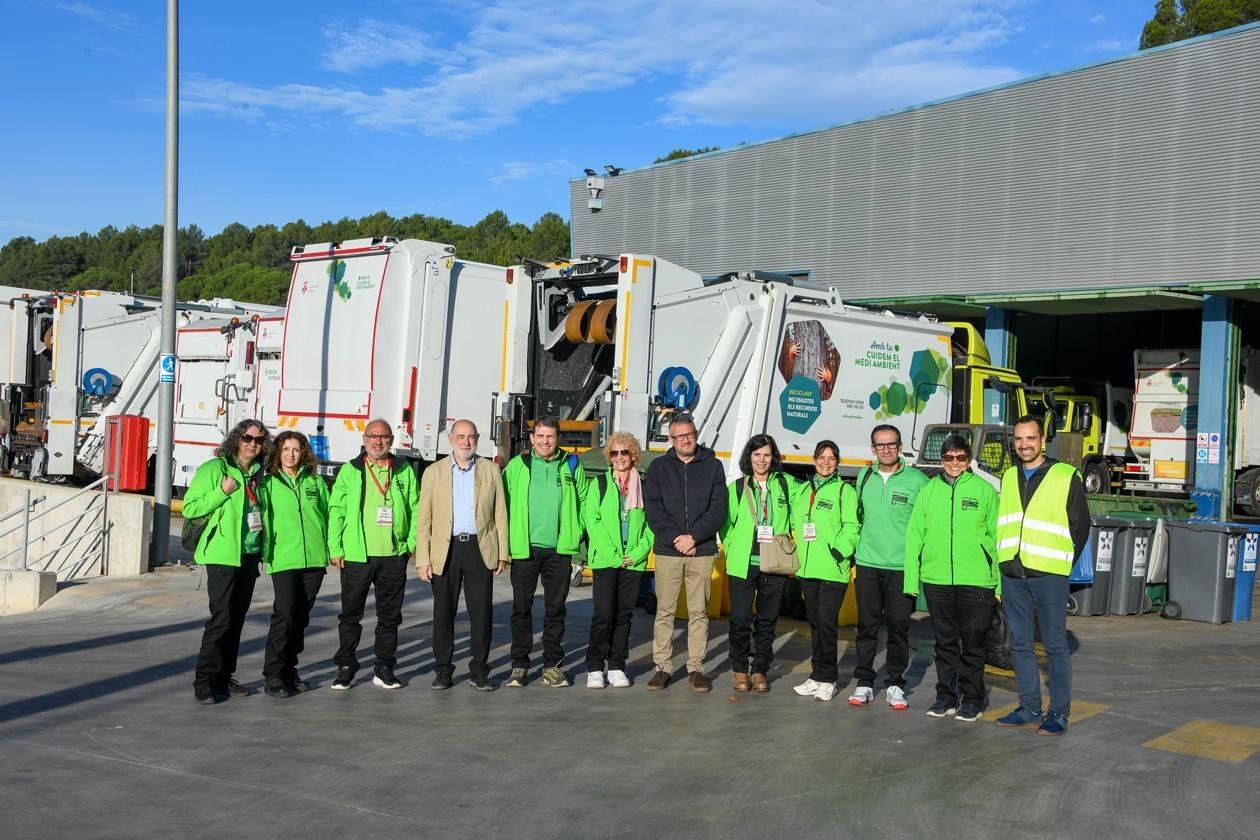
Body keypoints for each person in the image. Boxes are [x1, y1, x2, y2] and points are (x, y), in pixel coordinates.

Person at [995, 415, 1090, 736]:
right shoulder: (1009, 476)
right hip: (1012, 572)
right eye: (1019, 439)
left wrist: (1062, 563)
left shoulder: (1066, 476)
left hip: (1049, 575)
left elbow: (1081, 527)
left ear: (1043, 439)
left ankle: (1058, 713)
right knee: (1020, 645)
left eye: (1030, 438)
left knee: (1054, 647)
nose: (1024, 445)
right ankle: (1029, 706)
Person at [903, 434, 1000, 722]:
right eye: (948, 458)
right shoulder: (929, 491)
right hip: (937, 580)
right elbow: (914, 537)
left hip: (977, 580)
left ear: (968, 459)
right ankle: (945, 695)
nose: (954, 463)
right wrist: (911, 581)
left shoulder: (984, 491)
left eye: (960, 457)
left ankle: (972, 698)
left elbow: (998, 538)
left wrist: (1000, 585)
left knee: (972, 643)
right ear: (941, 460)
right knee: (944, 643)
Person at [416, 419, 508, 690]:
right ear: (451, 439)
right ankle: (443, 670)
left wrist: (502, 553)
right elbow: (424, 520)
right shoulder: (434, 472)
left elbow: (500, 514)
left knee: (481, 613)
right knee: (443, 613)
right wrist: (423, 558)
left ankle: (479, 670)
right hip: (446, 549)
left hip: (480, 548)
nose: (466, 442)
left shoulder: (490, 471)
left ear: (478, 439)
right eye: (461, 436)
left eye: (471, 437)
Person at [327, 419, 418, 691]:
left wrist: (410, 544)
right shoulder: (350, 470)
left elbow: (416, 508)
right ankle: (346, 666)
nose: (379, 442)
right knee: (350, 616)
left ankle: (385, 666)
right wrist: (336, 548)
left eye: (384, 437)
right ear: (364, 439)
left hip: (393, 555)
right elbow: (336, 510)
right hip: (357, 556)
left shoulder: (403, 470)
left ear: (392, 439)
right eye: (373, 437)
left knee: (389, 618)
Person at [185, 419, 270, 705]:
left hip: (248, 555)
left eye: (258, 440)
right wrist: (222, 491)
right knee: (221, 619)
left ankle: (224, 676)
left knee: (236, 619)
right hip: (221, 555)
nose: (252, 444)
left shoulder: (260, 474)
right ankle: (204, 680)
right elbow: (190, 507)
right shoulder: (215, 469)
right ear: (237, 439)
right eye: (247, 438)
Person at [643, 414, 727, 692]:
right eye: (679, 436)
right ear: (671, 439)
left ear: (695, 433)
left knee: (698, 612)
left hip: (701, 550)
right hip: (669, 550)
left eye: (689, 434)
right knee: (665, 612)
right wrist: (676, 538)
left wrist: (694, 537)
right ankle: (663, 668)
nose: (686, 440)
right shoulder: (658, 467)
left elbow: (718, 509)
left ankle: (696, 668)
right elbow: (653, 509)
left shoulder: (713, 466)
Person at [502, 416, 588, 687]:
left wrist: (577, 535)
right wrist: (504, 546)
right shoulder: (518, 466)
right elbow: (502, 504)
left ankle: (552, 665)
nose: (544, 441)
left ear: (558, 438)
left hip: (559, 550)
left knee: (555, 610)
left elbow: (584, 501)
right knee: (521, 609)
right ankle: (520, 665)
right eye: (540, 436)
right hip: (525, 550)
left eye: (550, 436)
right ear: (531, 439)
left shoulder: (572, 465)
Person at [849, 424, 927, 709]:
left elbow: (926, 523)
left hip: (901, 567)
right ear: (872, 449)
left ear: (900, 445)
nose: (885, 449)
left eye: (891, 444)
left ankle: (895, 683)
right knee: (867, 626)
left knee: (898, 627)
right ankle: (865, 682)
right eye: (880, 445)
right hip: (868, 564)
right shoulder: (864, 476)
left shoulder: (917, 481)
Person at [720, 434, 797, 692]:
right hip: (743, 564)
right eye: (757, 455)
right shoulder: (737, 488)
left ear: (773, 457)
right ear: (749, 458)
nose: (762, 460)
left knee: (767, 621)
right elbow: (725, 524)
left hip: (774, 564)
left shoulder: (786, 485)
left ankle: (760, 670)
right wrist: (731, 546)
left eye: (766, 454)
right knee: (740, 620)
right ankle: (740, 669)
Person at [261, 431, 330, 699]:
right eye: (286, 449)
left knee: (301, 617)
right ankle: (274, 673)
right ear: (278, 452)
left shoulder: (315, 481)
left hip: (313, 559)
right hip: (284, 558)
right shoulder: (268, 484)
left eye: (296, 449)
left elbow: (328, 513)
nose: (291, 455)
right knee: (285, 614)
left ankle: (290, 669)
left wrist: (330, 549)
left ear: (304, 453)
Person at [582, 432, 653, 689]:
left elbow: (651, 526)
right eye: (615, 453)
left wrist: (637, 554)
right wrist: (613, 555)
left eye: (625, 452)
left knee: (624, 616)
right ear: (609, 457)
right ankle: (594, 667)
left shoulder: (643, 485)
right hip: (606, 560)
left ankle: (616, 666)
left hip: (633, 561)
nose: (620, 457)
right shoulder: (599, 484)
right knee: (603, 615)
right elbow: (593, 520)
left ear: (633, 456)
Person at [791, 440, 859, 702]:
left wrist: (838, 552)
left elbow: (853, 526)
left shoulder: (844, 491)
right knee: (815, 624)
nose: (826, 462)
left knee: (827, 624)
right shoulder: (804, 489)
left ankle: (829, 678)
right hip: (807, 570)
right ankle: (816, 675)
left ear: (837, 462)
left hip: (832, 570)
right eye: (822, 457)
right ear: (814, 459)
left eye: (831, 458)